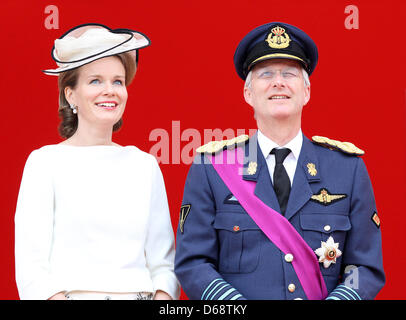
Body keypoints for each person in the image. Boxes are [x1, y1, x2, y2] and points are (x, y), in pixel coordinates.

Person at [174, 22, 385, 300]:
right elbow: (193, 263)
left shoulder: (348, 168)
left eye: (289, 73)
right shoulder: (211, 168)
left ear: (306, 91)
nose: (278, 82)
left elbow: (365, 267)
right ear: (248, 94)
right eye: (265, 74)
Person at [14, 23, 180, 300]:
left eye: (117, 81)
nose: (110, 90)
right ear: (70, 95)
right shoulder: (45, 163)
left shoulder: (144, 165)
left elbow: (164, 264)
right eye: (95, 81)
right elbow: (32, 269)